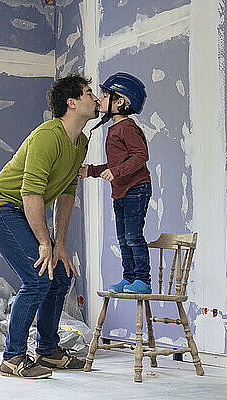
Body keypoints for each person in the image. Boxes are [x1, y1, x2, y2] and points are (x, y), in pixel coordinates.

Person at [0, 73, 99, 379]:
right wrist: (45, 243)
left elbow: (67, 195)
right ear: (72, 103)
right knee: (37, 278)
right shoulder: (49, 136)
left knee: (59, 277)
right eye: (88, 93)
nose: (95, 98)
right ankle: (13, 357)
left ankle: (48, 352)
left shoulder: (80, 142)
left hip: (20, 211)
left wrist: (59, 244)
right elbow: (30, 193)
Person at [78, 72, 152, 294]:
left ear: (120, 102)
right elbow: (114, 164)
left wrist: (116, 172)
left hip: (135, 189)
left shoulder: (128, 127)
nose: (99, 98)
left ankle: (143, 280)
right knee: (123, 238)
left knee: (133, 236)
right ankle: (129, 278)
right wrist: (90, 171)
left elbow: (141, 156)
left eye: (105, 94)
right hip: (121, 192)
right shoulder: (114, 128)